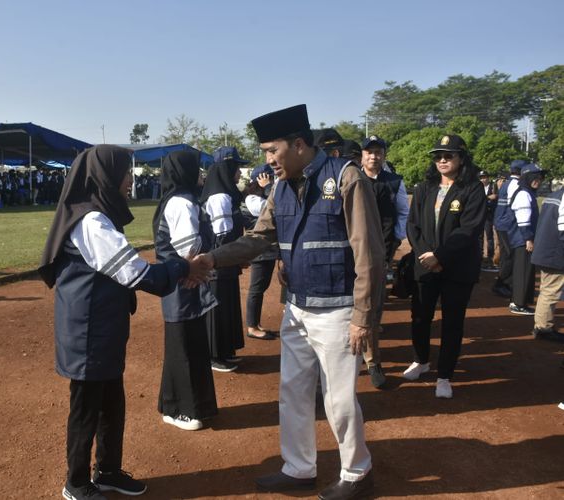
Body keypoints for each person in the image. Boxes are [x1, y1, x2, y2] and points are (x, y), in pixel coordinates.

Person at [197, 105, 383, 499]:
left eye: (272, 150)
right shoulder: (280, 188)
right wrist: (212, 258)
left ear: (299, 144)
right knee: (293, 392)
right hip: (297, 308)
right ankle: (299, 468)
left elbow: (369, 254)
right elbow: (259, 238)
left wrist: (363, 317)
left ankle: (357, 472)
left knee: (338, 399)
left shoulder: (346, 177)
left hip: (338, 309)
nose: (267, 160)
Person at [38, 145, 209, 500]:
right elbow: (135, 273)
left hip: (102, 328)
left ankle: (109, 471)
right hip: (88, 332)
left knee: (111, 401)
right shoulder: (90, 221)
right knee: (86, 408)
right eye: (124, 174)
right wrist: (183, 268)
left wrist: (179, 270)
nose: (130, 180)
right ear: (106, 177)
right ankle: (76, 482)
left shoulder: (98, 215)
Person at [403, 134, 486, 399]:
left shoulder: (472, 189)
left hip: (457, 268)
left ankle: (444, 375)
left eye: (448, 155)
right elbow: (412, 225)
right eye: (438, 156)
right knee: (420, 317)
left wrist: (440, 257)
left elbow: (469, 230)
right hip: (425, 264)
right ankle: (421, 360)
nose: (442, 160)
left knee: (452, 323)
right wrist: (425, 254)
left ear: (461, 158)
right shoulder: (425, 187)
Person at [152, 150, 219, 431]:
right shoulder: (181, 202)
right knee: (184, 347)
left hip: (181, 283)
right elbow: (189, 250)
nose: (201, 175)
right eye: (197, 169)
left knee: (184, 345)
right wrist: (200, 270)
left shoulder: (179, 200)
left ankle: (173, 404)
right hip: (184, 283)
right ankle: (184, 410)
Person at [359, 135, 409, 389]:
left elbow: (402, 213)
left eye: (378, 152)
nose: (373, 157)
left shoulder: (393, 182)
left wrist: (395, 243)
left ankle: (372, 360)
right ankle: (357, 356)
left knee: (374, 308)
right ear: (362, 156)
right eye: (369, 152)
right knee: (352, 308)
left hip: (381, 253)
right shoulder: (353, 179)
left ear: (384, 156)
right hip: (353, 254)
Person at [200, 146, 248, 372]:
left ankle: (225, 350)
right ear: (227, 168)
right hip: (219, 262)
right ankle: (213, 355)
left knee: (227, 304)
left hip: (226, 261)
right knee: (218, 307)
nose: (239, 172)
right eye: (237, 167)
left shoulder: (226, 194)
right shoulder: (219, 197)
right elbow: (221, 234)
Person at [241, 164, 279, 340]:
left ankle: (255, 323)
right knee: (256, 288)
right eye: (270, 178)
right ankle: (251, 327)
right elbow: (275, 207)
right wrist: (269, 188)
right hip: (259, 250)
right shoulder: (252, 199)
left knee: (261, 287)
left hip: (267, 249)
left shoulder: (259, 196)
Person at [507, 163, 545, 315]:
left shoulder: (527, 192)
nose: (539, 180)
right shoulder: (523, 193)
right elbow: (523, 219)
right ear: (527, 178)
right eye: (535, 177)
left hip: (522, 238)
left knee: (523, 270)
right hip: (523, 239)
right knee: (523, 271)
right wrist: (528, 239)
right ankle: (518, 303)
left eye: (540, 178)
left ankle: (519, 301)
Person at [531, 185, 564, 341]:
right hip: (554, 251)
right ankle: (543, 328)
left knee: (547, 290)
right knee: (551, 291)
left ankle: (541, 326)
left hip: (545, 249)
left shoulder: (554, 195)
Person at [492, 160, 525, 297]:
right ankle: (501, 284)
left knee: (507, 255)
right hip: (507, 225)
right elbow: (515, 206)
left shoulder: (508, 183)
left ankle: (504, 283)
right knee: (509, 255)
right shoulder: (515, 184)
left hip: (502, 223)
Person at [479, 170, 498, 270]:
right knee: (479, 236)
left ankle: (490, 257)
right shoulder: (478, 187)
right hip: (480, 214)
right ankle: (480, 256)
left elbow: (495, 196)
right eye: (481, 177)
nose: (483, 179)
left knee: (489, 236)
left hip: (489, 214)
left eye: (485, 177)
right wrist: (487, 198)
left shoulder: (493, 186)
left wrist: (485, 198)